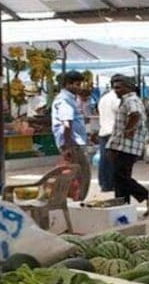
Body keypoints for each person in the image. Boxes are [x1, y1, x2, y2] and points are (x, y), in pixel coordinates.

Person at [106, 75, 149, 205]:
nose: (116, 91)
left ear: (128, 87)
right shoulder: (128, 100)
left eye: (119, 88)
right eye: (114, 88)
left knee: (120, 176)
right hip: (124, 145)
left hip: (126, 146)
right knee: (120, 178)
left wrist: (128, 130)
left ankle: (146, 195)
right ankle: (122, 204)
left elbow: (135, 114)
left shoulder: (131, 100)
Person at [51, 71, 90, 200]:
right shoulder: (65, 100)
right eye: (77, 84)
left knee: (76, 173)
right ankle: (78, 200)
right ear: (68, 84)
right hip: (72, 143)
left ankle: (74, 198)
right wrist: (68, 146)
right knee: (82, 174)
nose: (79, 87)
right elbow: (66, 124)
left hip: (73, 142)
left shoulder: (70, 99)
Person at [96, 86, 119, 193]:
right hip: (113, 132)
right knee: (113, 160)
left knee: (104, 159)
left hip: (103, 131)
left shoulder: (103, 98)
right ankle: (111, 183)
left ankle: (104, 183)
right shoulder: (117, 99)